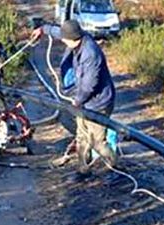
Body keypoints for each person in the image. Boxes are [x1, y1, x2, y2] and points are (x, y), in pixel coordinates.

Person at [32, 20, 118, 182]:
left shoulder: (90, 53)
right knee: (82, 137)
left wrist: (77, 100)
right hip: (84, 102)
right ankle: (83, 170)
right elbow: (59, 32)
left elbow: (90, 84)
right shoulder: (77, 38)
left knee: (97, 142)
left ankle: (114, 167)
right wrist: (43, 30)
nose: (62, 41)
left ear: (72, 39)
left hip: (98, 103)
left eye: (65, 40)